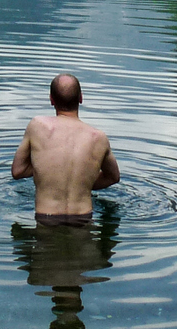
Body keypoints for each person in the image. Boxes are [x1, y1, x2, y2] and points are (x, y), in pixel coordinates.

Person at [10, 73, 120, 220]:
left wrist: (48, 170)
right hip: (83, 219)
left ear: (51, 100)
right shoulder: (98, 137)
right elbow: (113, 177)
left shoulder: (38, 126)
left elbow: (18, 171)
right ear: (81, 98)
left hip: (46, 218)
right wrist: (82, 181)